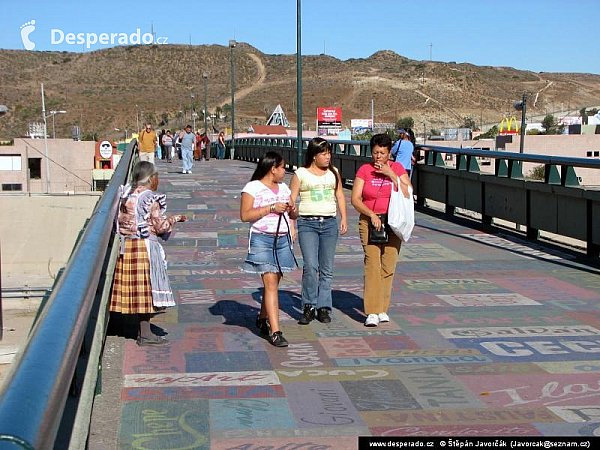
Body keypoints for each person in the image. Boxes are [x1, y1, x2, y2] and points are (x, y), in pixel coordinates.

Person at [110, 161, 187, 345]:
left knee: (133, 290)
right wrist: (175, 219)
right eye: (156, 177)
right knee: (147, 291)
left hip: (126, 246)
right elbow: (161, 227)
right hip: (145, 247)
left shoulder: (125, 194)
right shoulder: (150, 199)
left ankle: (122, 326)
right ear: (151, 179)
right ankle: (145, 333)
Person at [351, 133, 412, 327]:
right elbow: (355, 199)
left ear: (389, 153)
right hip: (370, 220)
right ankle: (371, 311)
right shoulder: (364, 170)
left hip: (393, 222)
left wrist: (391, 174)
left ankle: (382, 308)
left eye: (383, 153)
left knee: (388, 266)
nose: (378, 157)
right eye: (375, 152)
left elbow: (407, 191)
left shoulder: (398, 168)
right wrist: (371, 215)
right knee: (372, 264)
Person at [240, 151, 298, 347]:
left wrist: (292, 210)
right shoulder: (252, 187)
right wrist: (271, 208)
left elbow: (293, 215)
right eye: (282, 167)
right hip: (262, 239)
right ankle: (276, 331)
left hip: (282, 239)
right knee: (271, 282)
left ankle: (262, 317)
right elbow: (245, 215)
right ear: (273, 169)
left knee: (273, 284)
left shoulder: (283, 188)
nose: (285, 171)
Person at [289, 137, 348, 325]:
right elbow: (291, 200)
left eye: (329, 153)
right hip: (308, 224)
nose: (328, 157)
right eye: (323, 153)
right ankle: (308, 305)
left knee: (326, 268)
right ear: (314, 156)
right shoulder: (301, 174)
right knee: (311, 266)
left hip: (329, 223)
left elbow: (339, 195)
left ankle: (323, 307)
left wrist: (344, 218)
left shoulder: (334, 172)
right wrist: (291, 225)